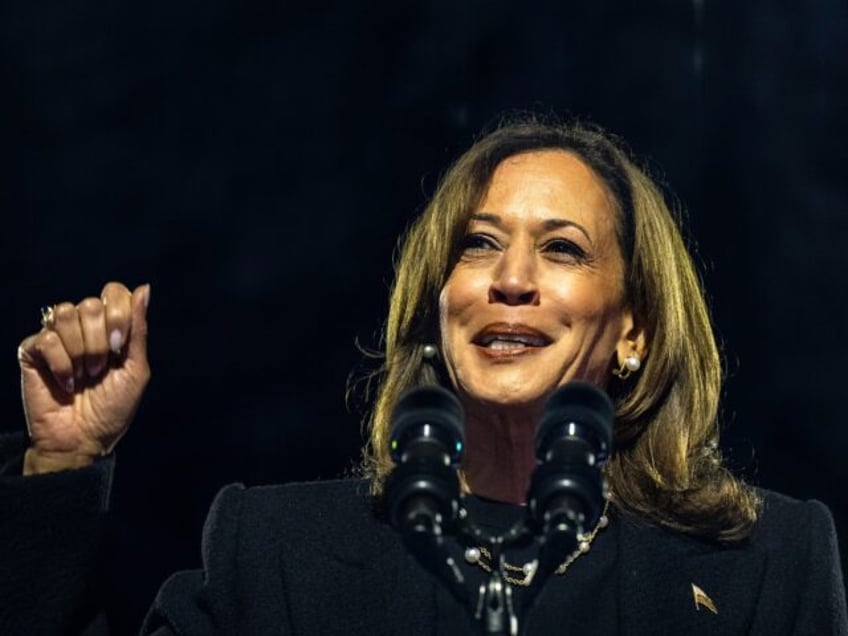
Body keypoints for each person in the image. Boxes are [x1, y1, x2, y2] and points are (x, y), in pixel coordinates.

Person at [2, 116, 846, 635]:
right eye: (479, 244)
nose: (509, 278)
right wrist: (63, 467)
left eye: (562, 248)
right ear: (443, 311)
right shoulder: (273, 558)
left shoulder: (768, 567)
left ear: (632, 334)